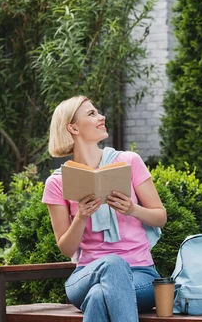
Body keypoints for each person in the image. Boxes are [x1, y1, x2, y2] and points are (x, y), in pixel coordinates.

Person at [43, 95, 167, 322]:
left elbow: (160, 217)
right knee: (112, 264)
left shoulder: (129, 161)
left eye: (97, 112)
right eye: (91, 114)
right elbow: (66, 247)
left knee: (99, 296)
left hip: (141, 275)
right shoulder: (57, 182)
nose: (101, 117)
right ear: (73, 127)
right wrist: (80, 217)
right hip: (86, 275)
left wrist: (132, 209)